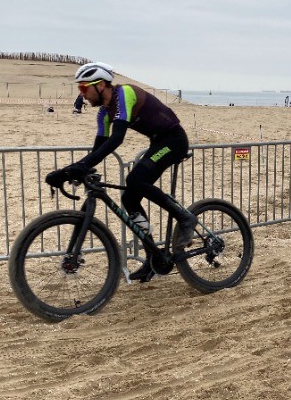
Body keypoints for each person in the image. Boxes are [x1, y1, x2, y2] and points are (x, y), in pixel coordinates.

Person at [44, 62, 198, 282]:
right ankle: (152, 257)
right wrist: (69, 171)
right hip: (158, 142)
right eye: (80, 89)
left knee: (135, 180)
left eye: (84, 88)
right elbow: (97, 150)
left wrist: (80, 167)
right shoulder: (104, 115)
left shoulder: (123, 94)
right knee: (129, 197)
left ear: (102, 85)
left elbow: (117, 139)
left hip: (174, 140)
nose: (82, 94)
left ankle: (185, 218)